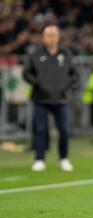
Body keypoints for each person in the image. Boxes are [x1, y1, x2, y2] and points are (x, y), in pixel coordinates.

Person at [22, 25, 79, 172]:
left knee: (64, 130)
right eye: (48, 35)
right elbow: (26, 73)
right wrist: (38, 84)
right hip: (41, 99)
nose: (51, 38)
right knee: (40, 130)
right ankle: (39, 159)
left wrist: (67, 86)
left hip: (61, 99)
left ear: (59, 37)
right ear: (43, 37)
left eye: (54, 35)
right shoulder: (35, 54)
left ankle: (64, 158)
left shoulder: (66, 54)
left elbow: (75, 75)